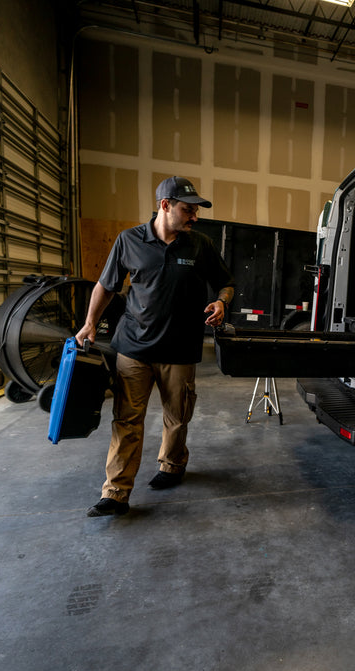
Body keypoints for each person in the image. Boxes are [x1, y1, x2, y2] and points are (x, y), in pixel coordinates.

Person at [77, 176, 235, 517]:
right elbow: (106, 286)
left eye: (195, 211)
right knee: (126, 420)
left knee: (177, 418)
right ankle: (115, 493)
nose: (194, 217)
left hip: (180, 350)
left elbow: (225, 283)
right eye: (187, 210)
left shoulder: (200, 245)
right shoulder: (129, 240)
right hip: (134, 347)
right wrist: (90, 322)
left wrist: (222, 302)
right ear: (165, 205)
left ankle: (172, 465)